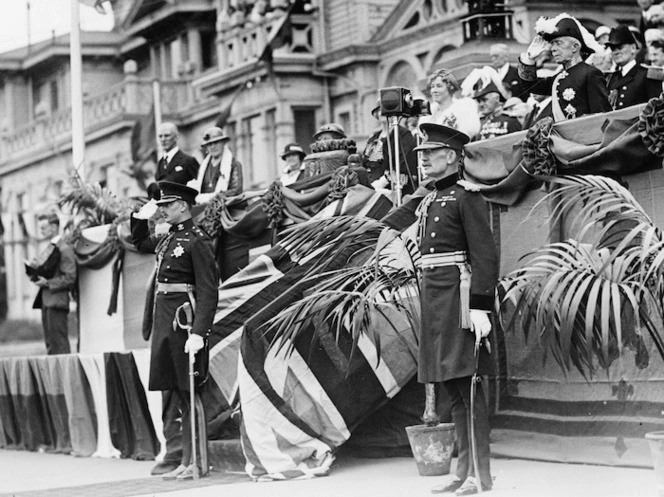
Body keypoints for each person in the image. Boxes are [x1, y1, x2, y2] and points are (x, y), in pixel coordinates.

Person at [414, 123, 499, 496]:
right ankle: (462, 472)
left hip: (460, 300)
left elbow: (485, 254)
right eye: (421, 155)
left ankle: (478, 476)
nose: (423, 160)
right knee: (454, 391)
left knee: (470, 388)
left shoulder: (467, 197)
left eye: (429, 154)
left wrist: (481, 305)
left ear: (450, 156)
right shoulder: (428, 200)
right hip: (435, 298)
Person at [131, 182, 218, 481]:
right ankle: (186, 459)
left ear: (183, 205)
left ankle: (197, 461)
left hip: (184, 320)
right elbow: (139, 243)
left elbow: (209, 290)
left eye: (167, 204)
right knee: (177, 391)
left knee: (189, 390)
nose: (162, 209)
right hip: (165, 319)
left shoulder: (197, 240)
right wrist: (139, 219)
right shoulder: (168, 238)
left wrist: (199, 331)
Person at [518, 13, 612, 121]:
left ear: (574, 47)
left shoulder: (591, 73)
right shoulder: (559, 77)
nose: (553, 48)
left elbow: (601, 115)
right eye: (552, 44)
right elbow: (530, 86)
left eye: (558, 43)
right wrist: (529, 59)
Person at [29, 213, 76, 355]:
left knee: (59, 345)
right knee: (50, 345)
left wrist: (48, 283)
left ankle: (65, 377)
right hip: (47, 301)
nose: (41, 231)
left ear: (54, 227)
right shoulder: (50, 247)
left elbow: (70, 277)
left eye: (44, 227)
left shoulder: (64, 248)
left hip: (57, 301)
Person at [605, 24, 661, 110]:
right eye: (613, 49)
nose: (616, 52)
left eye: (620, 47)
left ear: (633, 48)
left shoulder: (647, 75)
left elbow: (656, 110)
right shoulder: (611, 78)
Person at [188, 126, 243, 205]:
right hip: (203, 207)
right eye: (209, 144)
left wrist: (215, 197)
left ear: (223, 143)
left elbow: (236, 191)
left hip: (226, 207)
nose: (213, 146)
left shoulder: (234, 165)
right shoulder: (203, 167)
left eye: (216, 142)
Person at [420, 69, 481, 139]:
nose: (434, 90)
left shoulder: (463, 108)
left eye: (439, 86)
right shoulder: (429, 116)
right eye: (432, 87)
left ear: (450, 87)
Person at [147, 122, 200, 199]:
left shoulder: (188, 161)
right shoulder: (160, 163)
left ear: (176, 137)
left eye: (167, 136)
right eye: (160, 136)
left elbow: (200, 184)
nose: (163, 139)